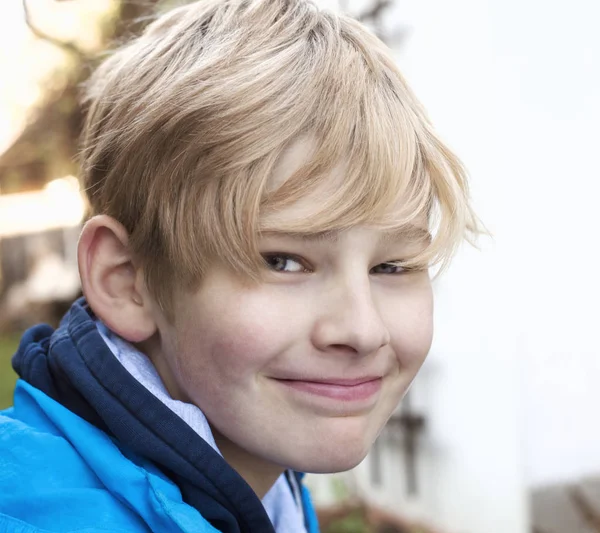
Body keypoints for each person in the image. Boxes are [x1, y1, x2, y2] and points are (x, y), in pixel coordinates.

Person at [0, 0, 479, 531]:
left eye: (392, 266)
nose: (363, 330)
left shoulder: (259, 487)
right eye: (284, 261)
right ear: (129, 282)